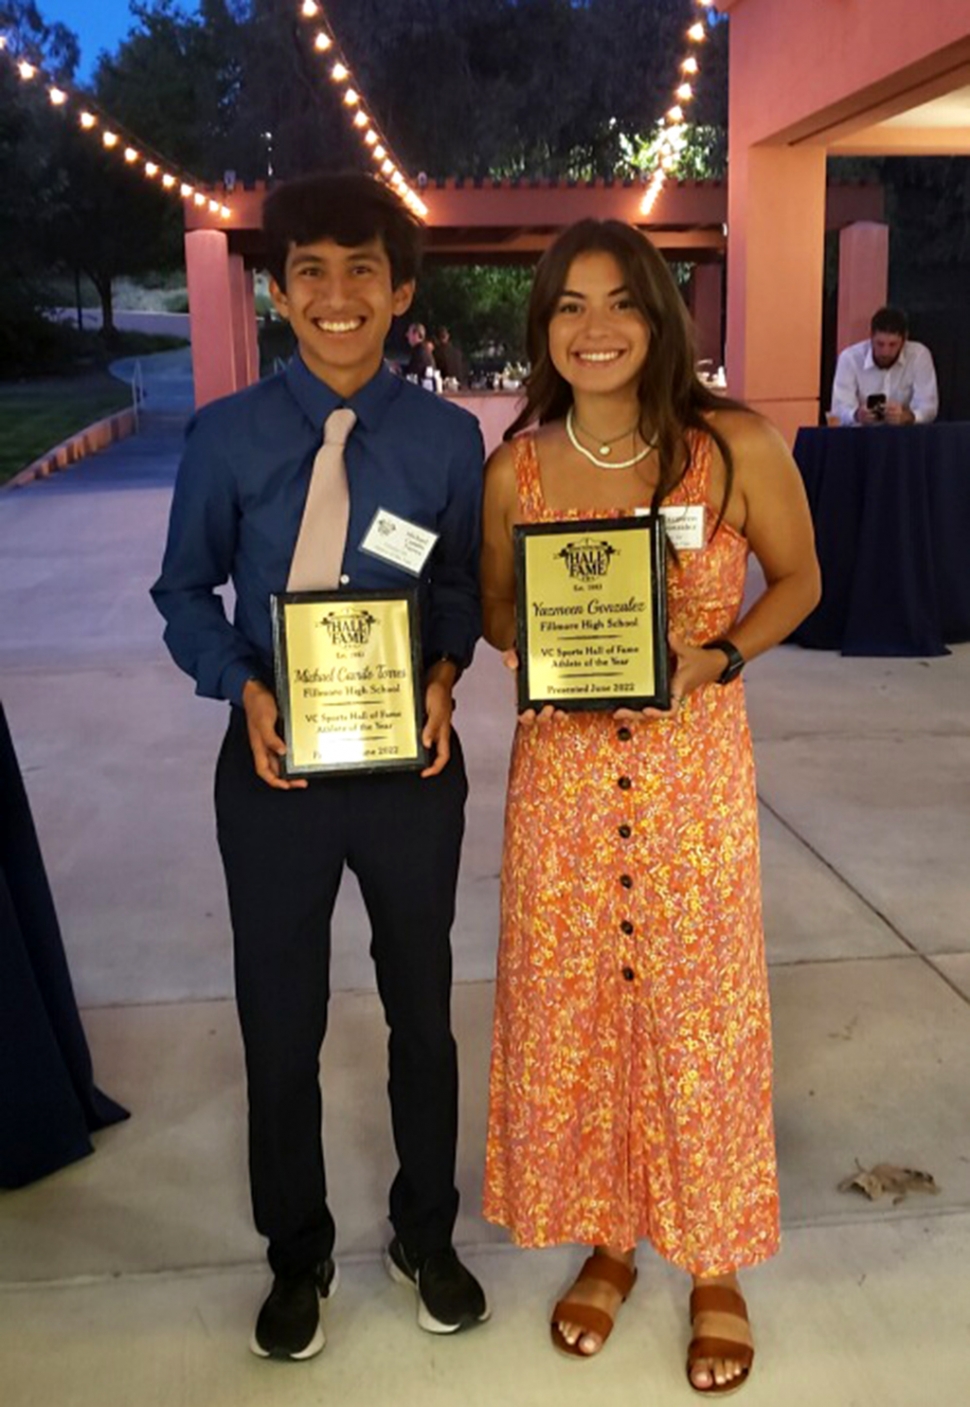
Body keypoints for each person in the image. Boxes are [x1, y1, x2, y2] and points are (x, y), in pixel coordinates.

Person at [480, 219, 821, 1395]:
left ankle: (714, 1260)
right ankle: (611, 1237)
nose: (595, 329)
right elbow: (494, 618)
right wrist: (564, 634)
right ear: (544, 329)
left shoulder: (732, 446)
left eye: (619, 302)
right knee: (578, 1011)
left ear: (659, 317)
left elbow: (801, 581)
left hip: (689, 785)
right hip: (565, 796)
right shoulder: (515, 469)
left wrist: (711, 656)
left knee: (698, 1017)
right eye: (569, 306)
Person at [151, 172, 488, 1362]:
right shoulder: (226, 437)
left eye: (362, 272)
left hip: (409, 768)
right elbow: (185, 590)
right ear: (276, 290)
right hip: (275, 765)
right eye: (310, 272)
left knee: (421, 1015)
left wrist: (446, 669)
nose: (336, 295)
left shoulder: (448, 440)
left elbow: (456, 585)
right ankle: (296, 1252)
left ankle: (425, 1231)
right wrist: (239, 686)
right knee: (278, 1019)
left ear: (400, 291)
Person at [830, 306, 938, 425]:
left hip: (905, 435)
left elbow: (928, 407)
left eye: (892, 345)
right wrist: (856, 415)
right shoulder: (850, 358)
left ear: (904, 339)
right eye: (880, 344)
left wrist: (907, 417)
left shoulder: (919, 355)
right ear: (871, 337)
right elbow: (838, 410)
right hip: (861, 436)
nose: (885, 352)